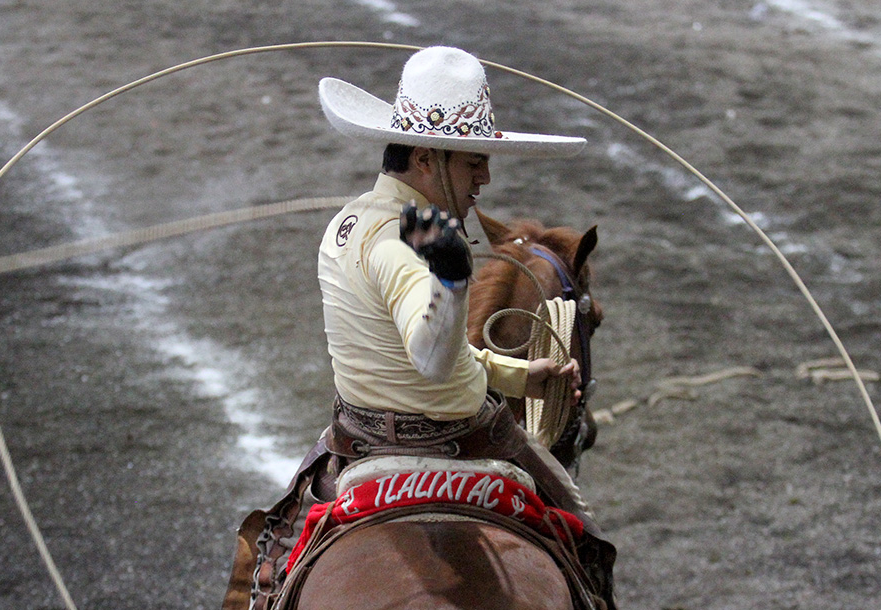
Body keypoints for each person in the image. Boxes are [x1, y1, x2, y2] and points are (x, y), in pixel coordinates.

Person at [221, 46, 616, 610]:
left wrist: (517, 375)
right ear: (428, 158)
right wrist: (450, 279)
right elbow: (430, 355)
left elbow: (435, 358)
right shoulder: (406, 242)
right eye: (471, 159)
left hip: (361, 438)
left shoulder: (352, 221)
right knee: (584, 537)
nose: (485, 174)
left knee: (266, 558)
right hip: (462, 434)